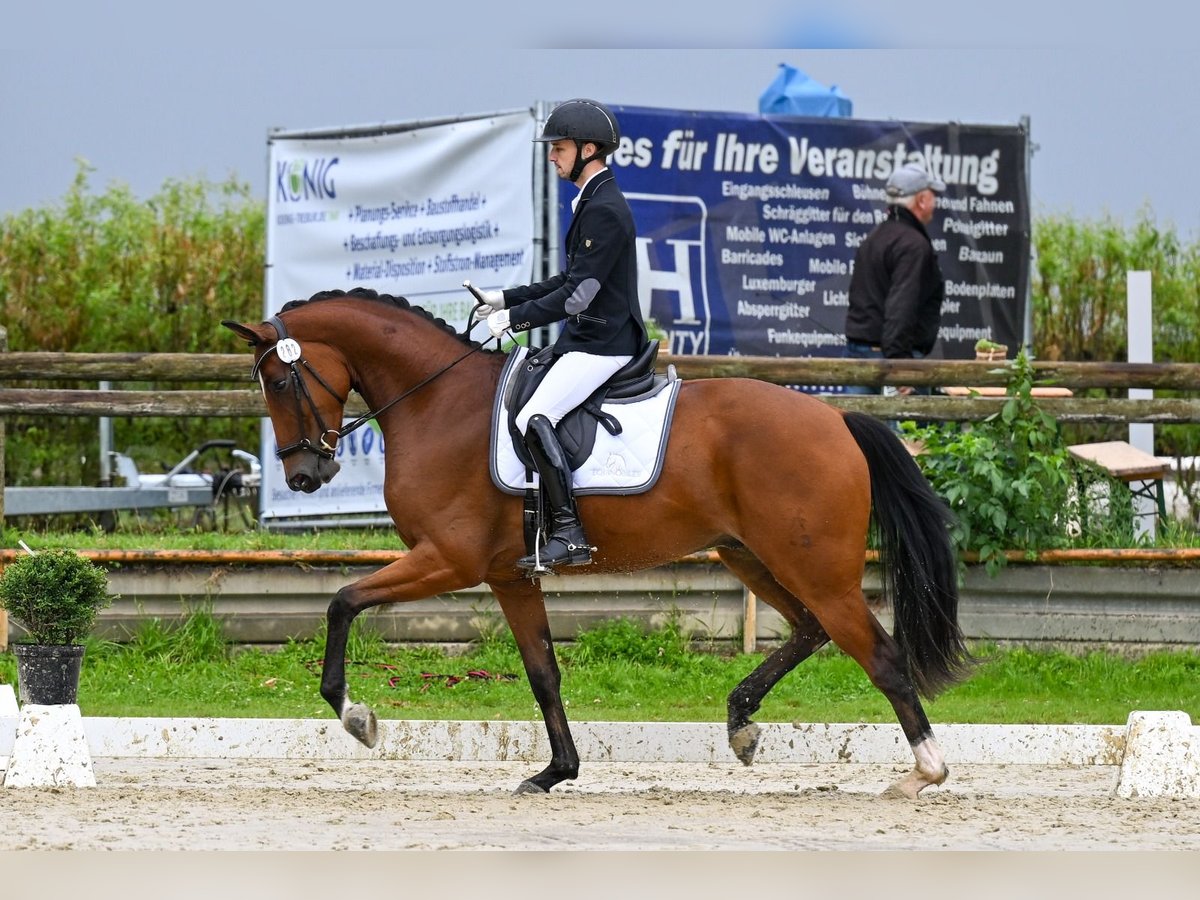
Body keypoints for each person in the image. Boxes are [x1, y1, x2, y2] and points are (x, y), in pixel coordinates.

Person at [474, 98, 648, 572]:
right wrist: (504, 300)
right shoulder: (591, 201)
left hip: (605, 343)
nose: (552, 156)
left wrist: (517, 322)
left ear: (588, 149)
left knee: (534, 415)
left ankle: (570, 532)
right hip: (590, 338)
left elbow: (578, 298)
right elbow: (566, 280)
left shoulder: (605, 209)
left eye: (560, 147)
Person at [843, 161, 947, 396]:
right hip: (892, 360)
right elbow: (901, 307)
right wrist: (900, 366)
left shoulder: (875, 237)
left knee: (855, 431)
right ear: (921, 200)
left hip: (858, 353)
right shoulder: (914, 245)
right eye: (933, 195)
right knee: (900, 433)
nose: (935, 203)